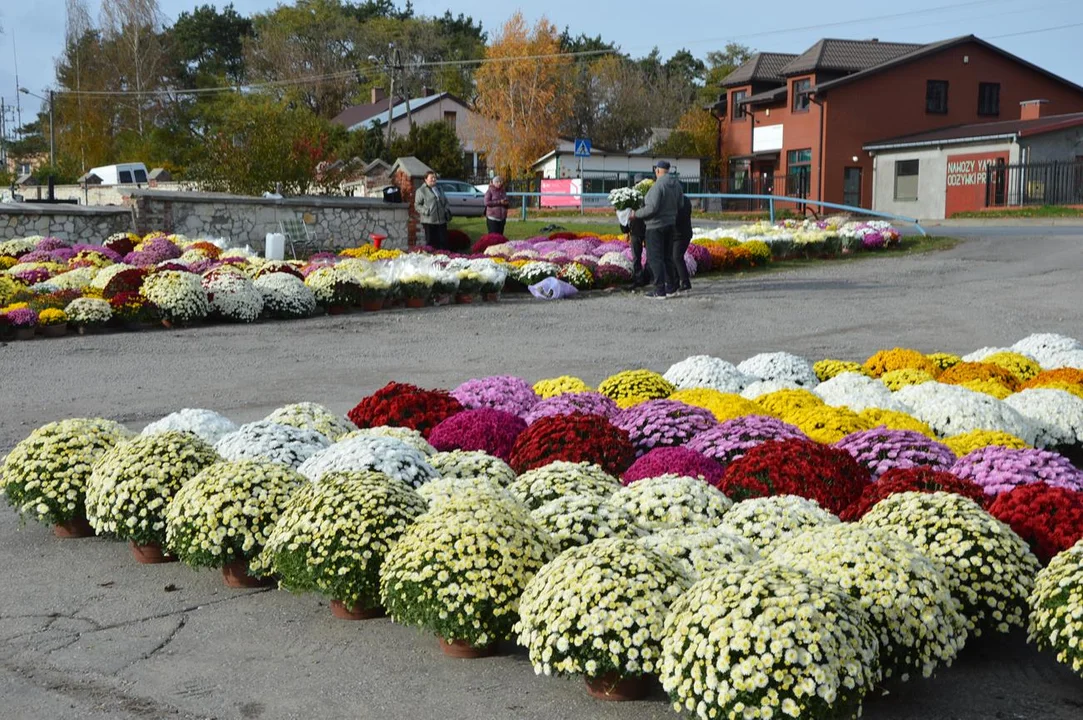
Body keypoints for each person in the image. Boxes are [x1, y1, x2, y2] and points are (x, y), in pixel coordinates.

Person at [633, 160, 683, 299]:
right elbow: (681, 204)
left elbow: (652, 208)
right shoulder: (677, 185)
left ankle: (659, 290)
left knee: (655, 258)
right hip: (670, 224)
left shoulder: (658, 186)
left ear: (657, 170)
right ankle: (671, 287)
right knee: (667, 257)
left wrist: (636, 214)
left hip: (655, 227)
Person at [415, 171, 451, 250]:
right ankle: (431, 258)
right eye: (432, 178)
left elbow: (445, 201)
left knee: (443, 241)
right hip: (429, 221)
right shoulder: (421, 191)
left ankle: (443, 257)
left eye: (435, 178)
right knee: (431, 242)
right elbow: (417, 205)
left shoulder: (439, 188)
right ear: (426, 179)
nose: (434, 179)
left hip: (441, 220)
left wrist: (446, 209)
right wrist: (427, 211)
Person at [628, 174, 649, 287]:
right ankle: (638, 279)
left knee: (650, 255)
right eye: (637, 183)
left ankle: (646, 277)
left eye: (640, 183)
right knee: (636, 256)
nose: (638, 185)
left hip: (648, 229)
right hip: (635, 230)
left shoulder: (649, 194)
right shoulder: (630, 196)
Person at [673, 193, 693, 293]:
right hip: (680, 234)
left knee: (676, 257)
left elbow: (677, 217)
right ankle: (676, 282)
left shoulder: (682, 202)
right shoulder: (684, 200)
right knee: (675, 257)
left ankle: (685, 282)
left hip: (681, 235)